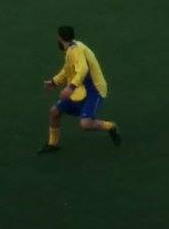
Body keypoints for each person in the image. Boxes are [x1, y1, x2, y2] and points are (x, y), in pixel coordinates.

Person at [38, 26, 121, 154]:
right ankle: (53, 144)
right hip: (80, 89)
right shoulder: (72, 49)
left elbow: (83, 70)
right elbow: (67, 69)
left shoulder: (76, 51)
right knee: (55, 112)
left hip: (94, 90)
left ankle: (110, 126)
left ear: (59, 38)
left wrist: (70, 88)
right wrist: (55, 81)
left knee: (85, 124)